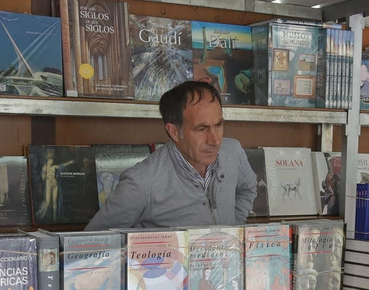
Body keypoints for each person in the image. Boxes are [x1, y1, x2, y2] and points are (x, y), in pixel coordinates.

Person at [86, 80, 258, 230]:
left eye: (218, 125)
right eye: (202, 129)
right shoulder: (140, 184)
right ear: (174, 132)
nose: (214, 140)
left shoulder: (233, 152)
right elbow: (94, 244)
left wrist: (233, 229)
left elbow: (248, 188)